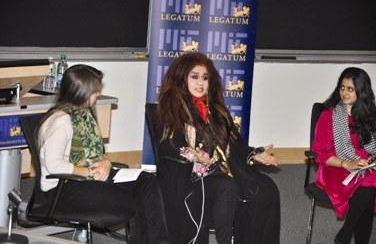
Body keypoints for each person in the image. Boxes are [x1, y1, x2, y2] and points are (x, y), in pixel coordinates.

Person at [154, 52, 280, 244]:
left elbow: (235, 144)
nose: (200, 83)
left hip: (218, 171)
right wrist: (194, 156)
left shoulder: (216, 109)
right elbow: (167, 147)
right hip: (189, 177)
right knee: (227, 186)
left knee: (264, 188)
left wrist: (254, 154)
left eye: (205, 78)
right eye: (194, 77)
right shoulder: (171, 108)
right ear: (181, 78)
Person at [37, 64, 169, 244]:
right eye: (95, 90)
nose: (98, 94)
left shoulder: (84, 116)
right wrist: (89, 172)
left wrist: (106, 164)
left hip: (87, 179)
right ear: (80, 91)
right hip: (63, 188)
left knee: (146, 180)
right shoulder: (61, 121)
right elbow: (55, 165)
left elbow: (97, 155)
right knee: (138, 198)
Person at [312, 67, 376, 244]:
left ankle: (345, 235)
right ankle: (346, 234)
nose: (345, 93)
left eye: (350, 89)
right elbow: (319, 154)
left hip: (363, 165)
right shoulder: (329, 115)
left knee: (370, 182)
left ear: (362, 92)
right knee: (371, 181)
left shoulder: (369, 115)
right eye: (342, 87)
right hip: (335, 167)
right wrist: (347, 164)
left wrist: (370, 159)